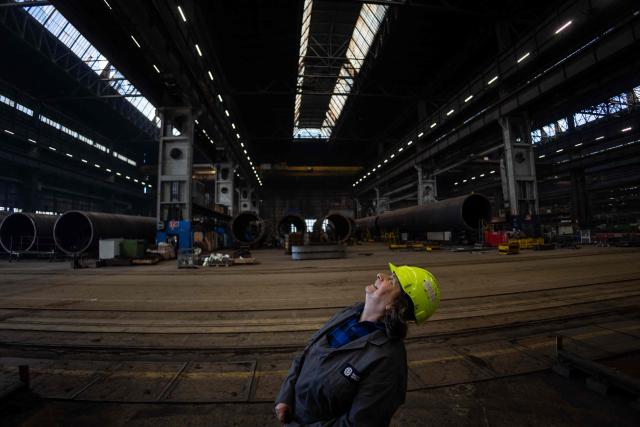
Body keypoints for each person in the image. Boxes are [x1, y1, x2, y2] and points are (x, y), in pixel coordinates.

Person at [275, 263, 441, 426]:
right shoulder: (350, 313)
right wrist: (285, 397)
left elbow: (359, 423)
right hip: (293, 414)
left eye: (391, 281)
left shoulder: (387, 361)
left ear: (395, 306)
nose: (379, 275)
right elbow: (308, 352)